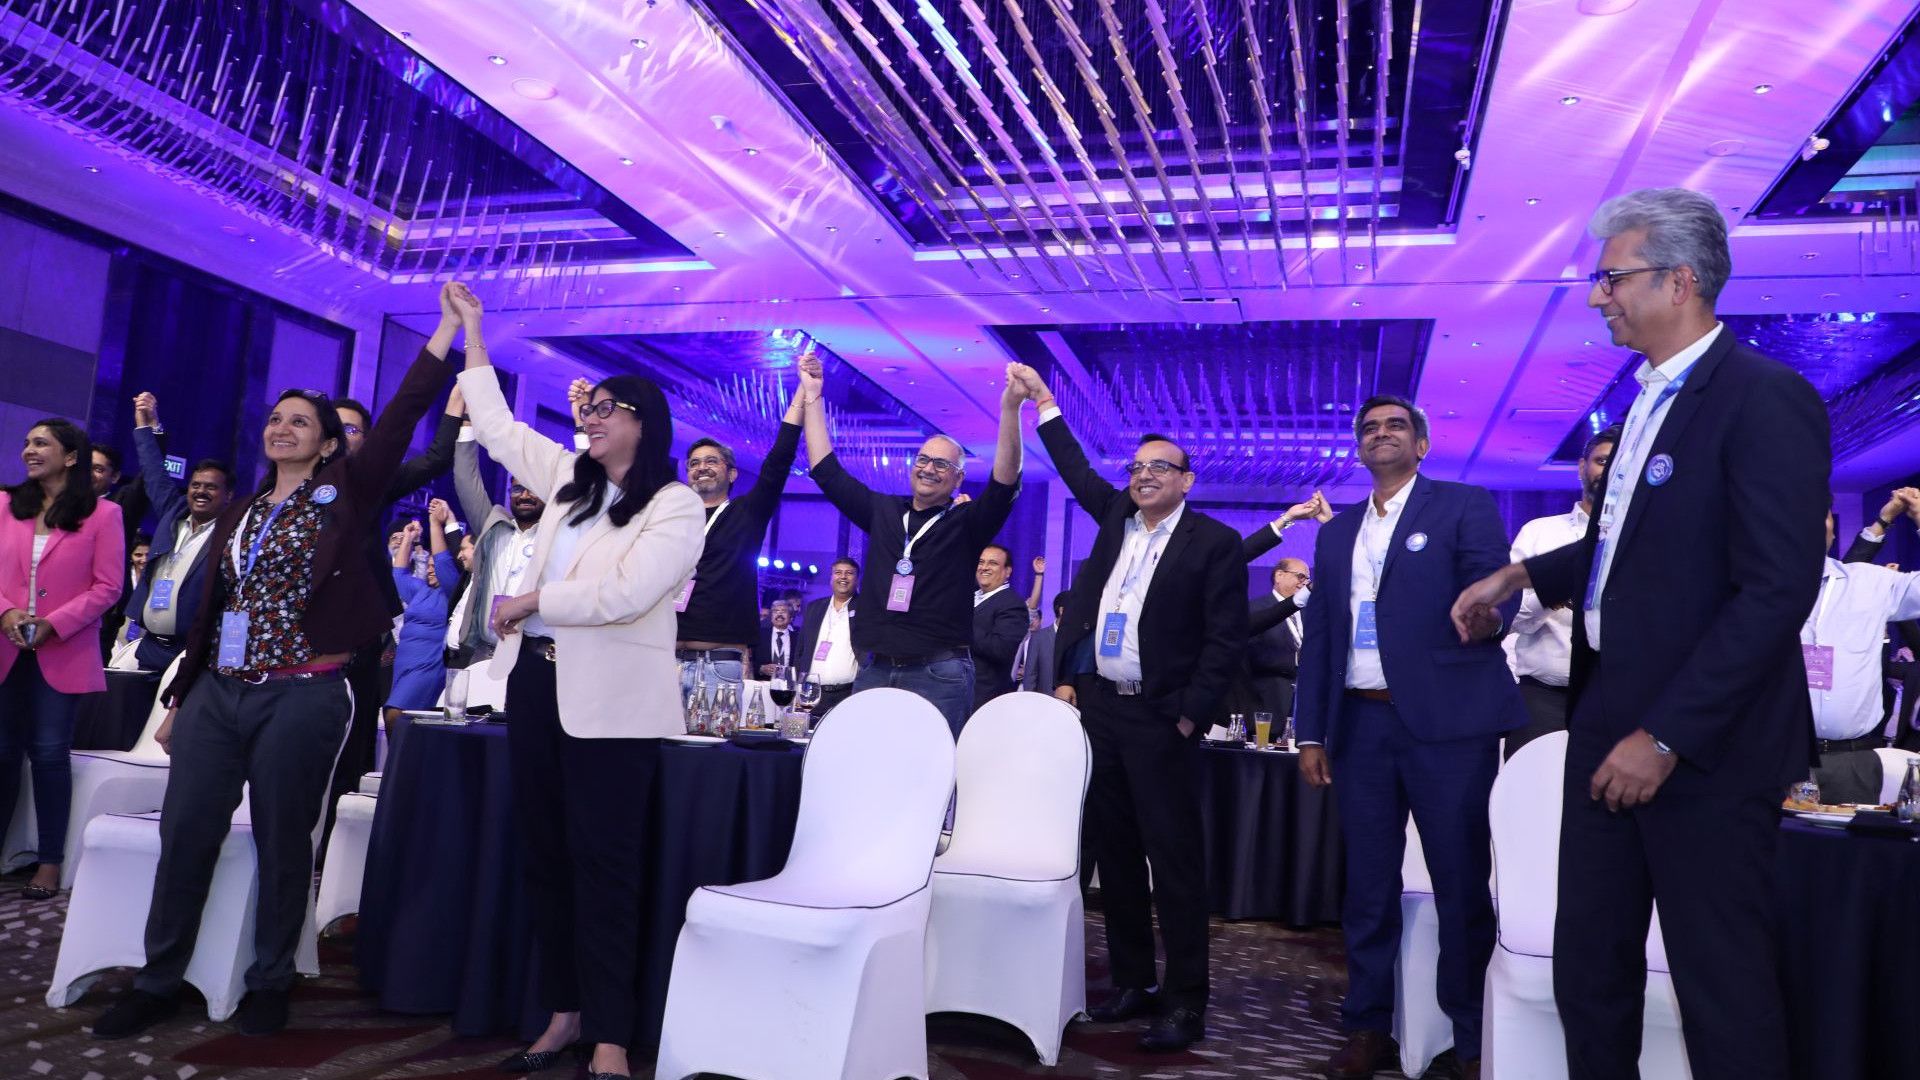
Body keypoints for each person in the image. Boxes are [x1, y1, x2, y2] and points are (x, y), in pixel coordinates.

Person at [1451, 187, 1829, 1080]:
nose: (1596, 296)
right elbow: (1631, 551)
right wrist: (1519, 574)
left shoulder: (1763, 399)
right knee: (1593, 974)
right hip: (1603, 726)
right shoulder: (1643, 405)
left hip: (1705, 749)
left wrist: (1667, 737)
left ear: (1681, 281)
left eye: (1611, 277)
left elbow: (1775, 591)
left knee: (1720, 986)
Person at [88, 284, 462, 1042]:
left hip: (304, 693)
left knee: (284, 840)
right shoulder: (240, 511)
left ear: (328, 442)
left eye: (301, 421)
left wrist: (448, 330)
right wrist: (181, 699)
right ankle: (160, 979)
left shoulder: (345, 494)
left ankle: (269, 980)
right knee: (186, 831)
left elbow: (393, 424)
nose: (282, 427)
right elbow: (209, 614)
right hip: (218, 693)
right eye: (275, 418)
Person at [454, 286, 703, 1080]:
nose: (590, 418)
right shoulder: (568, 480)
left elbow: (626, 595)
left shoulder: (675, 504)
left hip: (612, 712)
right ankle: (562, 1011)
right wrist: (474, 335)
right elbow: (495, 428)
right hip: (534, 685)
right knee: (546, 857)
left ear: (642, 422)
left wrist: (533, 599)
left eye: (607, 409)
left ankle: (613, 1033)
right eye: (588, 408)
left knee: (607, 869)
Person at [1012, 362, 1246, 1053]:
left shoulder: (1216, 544)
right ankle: (1134, 982)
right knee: (1113, 854)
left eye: (1159, 467)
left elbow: (1225, 639)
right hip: (1103, 712)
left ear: (1186, 480)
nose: (1143, 475)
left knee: (1173, 862)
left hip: (1161, 717)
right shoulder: (1118, 518)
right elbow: (1078, 469)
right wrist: (1048, 404)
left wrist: (1188, 714)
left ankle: (1185, 1001)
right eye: (1138, 466)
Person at [1295, 394, 1523, 1080]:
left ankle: (1471, 1036)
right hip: (1360, 724)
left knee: (1459, 882)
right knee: (1366, 885)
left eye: (1395, 425)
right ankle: (1367, 1026)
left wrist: (1488, 617)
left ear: (1421, 444)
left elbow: (1495, 590)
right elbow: (1323, 639)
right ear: (1359, 449)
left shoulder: (1461, 504)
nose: (1381, 434)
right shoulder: (1335, 535)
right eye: (1369, 428)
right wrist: (1311, 732)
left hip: (1448, 726)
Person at [798, 354, 1021, 736]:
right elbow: (825, 470)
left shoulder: (965, 523)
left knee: (929, 778)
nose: (929, 468)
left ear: (958, 480)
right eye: (923, 459)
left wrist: (1010, 407)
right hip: (875, 668)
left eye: (942, 465)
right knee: (869, 770)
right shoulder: (884, 511)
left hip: (939, 672)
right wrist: (814, 396)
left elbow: (1004, 481)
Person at [0, 419, 125, 900]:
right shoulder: (7, 506)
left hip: (62, 649)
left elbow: (109, 586)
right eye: (27, 442)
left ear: (71, 456)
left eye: (41, 443)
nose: (29, 450)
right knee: (1, 753)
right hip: (6, 645)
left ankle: (49, 862)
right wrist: (8, 612)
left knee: (50, 755)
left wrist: (55, 622)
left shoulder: (103, 514)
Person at [674, 386, 803, 694]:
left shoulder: (746, 513)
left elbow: (777, 464)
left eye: (711, 461)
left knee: (712, 742)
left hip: (720, 663)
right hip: (668, 660)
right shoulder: (673, 518)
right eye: (694, 463)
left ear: (731, 474)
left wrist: (801, 398)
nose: (701, 467)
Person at [1502, 426, 1619, 760]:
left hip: (1618, 699)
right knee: (1529, 803)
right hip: (1543, 700)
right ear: (1582, 467)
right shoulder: (1540, 533)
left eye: (1618, 462)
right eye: (1600, 461)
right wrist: (1556, 589)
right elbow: (1514, 619)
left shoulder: (1649, 539)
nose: (1608, 470)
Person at [1791, 504, 1920, 802]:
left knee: (1849, 848)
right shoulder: (1752, 587)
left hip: (1853, 762)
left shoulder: (1870, 582)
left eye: (1821, 512)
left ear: (1833, 530)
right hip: (1772, 756)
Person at [127, 392, 235, 670]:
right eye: (195, 485)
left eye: (211, 487)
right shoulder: (173, 513)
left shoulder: (232, 534)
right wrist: (147, 426)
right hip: (150, 646)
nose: (201, 491)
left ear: (228, 496)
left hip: (192, 654)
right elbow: (153, 470)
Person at [449, 382, 549, 672]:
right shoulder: (494, 526)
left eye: (533, 489)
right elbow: (466, 479)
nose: (525, 496)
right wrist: (468, 422)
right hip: (482, 653)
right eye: (518, 489)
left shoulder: (557, 531)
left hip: (531, 655)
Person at [382, 503, 461, 759]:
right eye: (426, 566)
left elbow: (442, 559)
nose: (429, 568)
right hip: (405, 663)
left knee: (397, 714)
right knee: (398, 719)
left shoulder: (451, 593)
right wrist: (408, 537)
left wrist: (434, 524)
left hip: (428, 664)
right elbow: (398, 574)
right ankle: (403, 771)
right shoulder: (420, 591)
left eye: (433, 566)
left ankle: (401, 769)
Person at [91, 441, 151, 662]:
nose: (89, 474)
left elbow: (144, 483)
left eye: (98, 469)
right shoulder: (60, 505)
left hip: (100, 614)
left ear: (114, 476)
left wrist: (152, 432)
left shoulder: (121, 505)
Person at [796, 557, 860, 719]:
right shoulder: (814, 607)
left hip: (848, 692)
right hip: (812, 692)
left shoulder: (865, 608)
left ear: (857, 578)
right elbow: (801, 649)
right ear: (831, 578)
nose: (843, 577)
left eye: (849, 573)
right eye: (838, 573)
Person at [971, 544, 1030, 708]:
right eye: (981, 562)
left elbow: (1001, 649)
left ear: (1007, 571)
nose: (984, 567)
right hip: (953, 688)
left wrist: (962, 625)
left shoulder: (1012, 604)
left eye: (992, 563)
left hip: (982, 695)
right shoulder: (967, 598)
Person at [1019, 592, 1066, 694]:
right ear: (1062, 610)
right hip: (1044, 702)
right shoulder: (1039, 638)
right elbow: (1030, 676)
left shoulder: (1079, 638)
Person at [757, 600, 798, 676]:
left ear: (791, 618)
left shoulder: (798, 638)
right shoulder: (759, 635)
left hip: (789, 684)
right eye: (775, 611)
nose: (779, 614)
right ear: (771, 617)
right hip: (763, 682)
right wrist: (761, 668)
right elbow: (749, 661)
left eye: (784, 611)